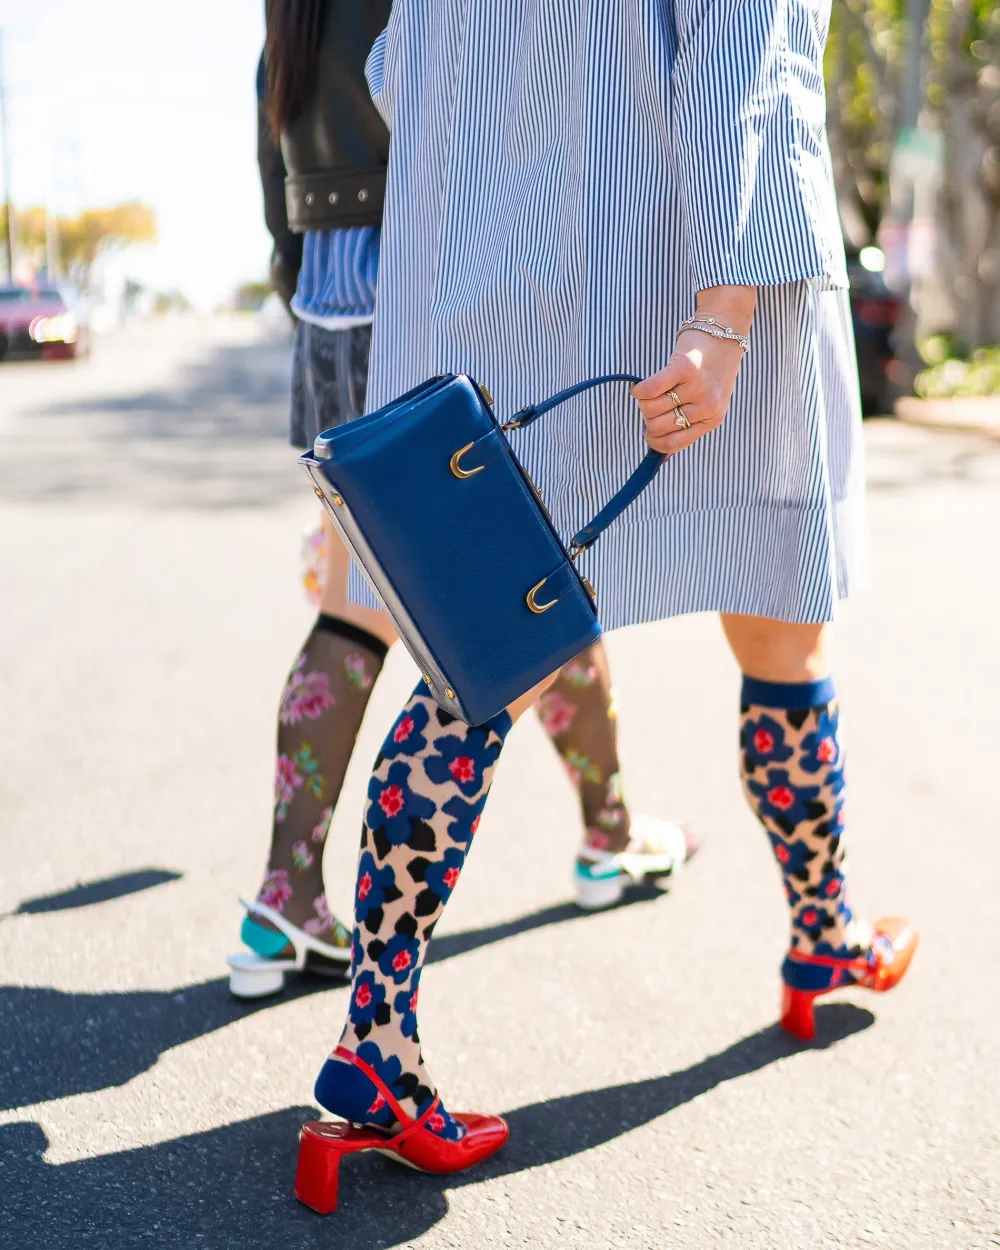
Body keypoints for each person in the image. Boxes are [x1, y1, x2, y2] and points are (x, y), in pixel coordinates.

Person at [291, 0, 920, 1212]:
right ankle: (824, 928)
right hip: (692, 277)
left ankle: (376, 1039)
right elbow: (751, 51)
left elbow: (392, 69)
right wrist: (724, 311)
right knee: (779, 620)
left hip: (484, 280)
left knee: (476, 659)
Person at [228, 0, 694, 1001]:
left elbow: (272, 160)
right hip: (430, 280)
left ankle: (285, 893)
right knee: (534, 570)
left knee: (362, 602)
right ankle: (607, 838)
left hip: (325, 294)